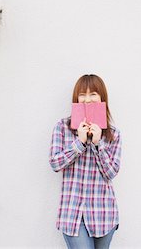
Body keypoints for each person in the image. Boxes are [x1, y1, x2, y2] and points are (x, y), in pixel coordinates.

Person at [49, 74, 122, 249]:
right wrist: (79, 143)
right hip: (73, 214)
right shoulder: (62, 127)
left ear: (102, 97)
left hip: (104, 213)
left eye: (93, 94)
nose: (87, 100)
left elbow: (111, 172)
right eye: (82, 94)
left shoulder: (113, 133)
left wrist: (98, 144)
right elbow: (55, 163)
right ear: (76, 97)